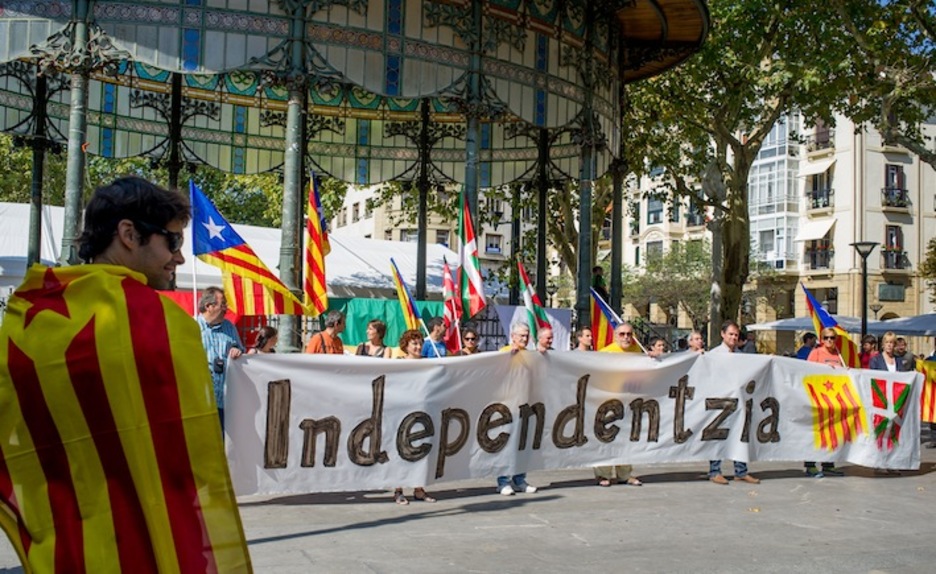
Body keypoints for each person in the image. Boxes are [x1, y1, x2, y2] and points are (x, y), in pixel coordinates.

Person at [0, 176, 251, 570]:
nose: (180, 258)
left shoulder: (29, 317)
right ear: (129, 234)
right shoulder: (158, 323)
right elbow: (185, 460)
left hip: (66, 545)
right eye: (172, 242)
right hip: (143, 540)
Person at [708, 320, 760, 485]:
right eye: (730, 334)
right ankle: (715, 471)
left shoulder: (741, 355)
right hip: (719, 401)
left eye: (736, 335)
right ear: (723, 334)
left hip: (738, 402)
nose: (733, 337)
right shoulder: (714, 354)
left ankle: (741, 471)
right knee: (717, 437)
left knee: (740, 436)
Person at [594, 322, 644, 487]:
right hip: (608, 401)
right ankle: (603, 474)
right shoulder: (605, 353)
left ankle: (624, 474)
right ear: (616, 336)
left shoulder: (637, 351)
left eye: (629, 334)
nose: (626, 337)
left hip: (630, 401)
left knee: (626, 438)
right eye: (622, 334)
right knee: (606, 438)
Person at [392, 329, 437, 504]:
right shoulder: (397, 363)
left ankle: (419, 489)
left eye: (420, 343)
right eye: (414, 343)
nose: (418, 347)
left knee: (421, 450)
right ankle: (398, 490)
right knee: (400, 451)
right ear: (406, 346)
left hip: (423, 414)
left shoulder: (428, 364)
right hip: (401, 412)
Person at [496, 322, 538, 495]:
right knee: (505, 445)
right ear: (512, 336)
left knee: (523, 445)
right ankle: (503, 481)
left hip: (526, 405)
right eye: (521, 335)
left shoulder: (531, 355)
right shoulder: (502, 353)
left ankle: (519, 479)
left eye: (527, 335)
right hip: (507, 406)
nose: (524, 338)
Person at [197, 287, 245, 430]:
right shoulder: (191, 326)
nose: (226, 308)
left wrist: (238, 351)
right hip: (201, 402)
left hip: (225, 401)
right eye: (222, 304)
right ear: (209, 306)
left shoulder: (229, 327)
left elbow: (240, 350)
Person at [803, 328, 846, 477]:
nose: (829, 341)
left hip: (833, 401)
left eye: (832, 338)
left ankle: (828, 464)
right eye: (826, 338)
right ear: (822, 339)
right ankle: (810, 465)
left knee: (831, 433)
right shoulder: (816, 353)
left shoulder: (838, 354)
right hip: (818, 399)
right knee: (816, 433)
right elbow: (806, 372)